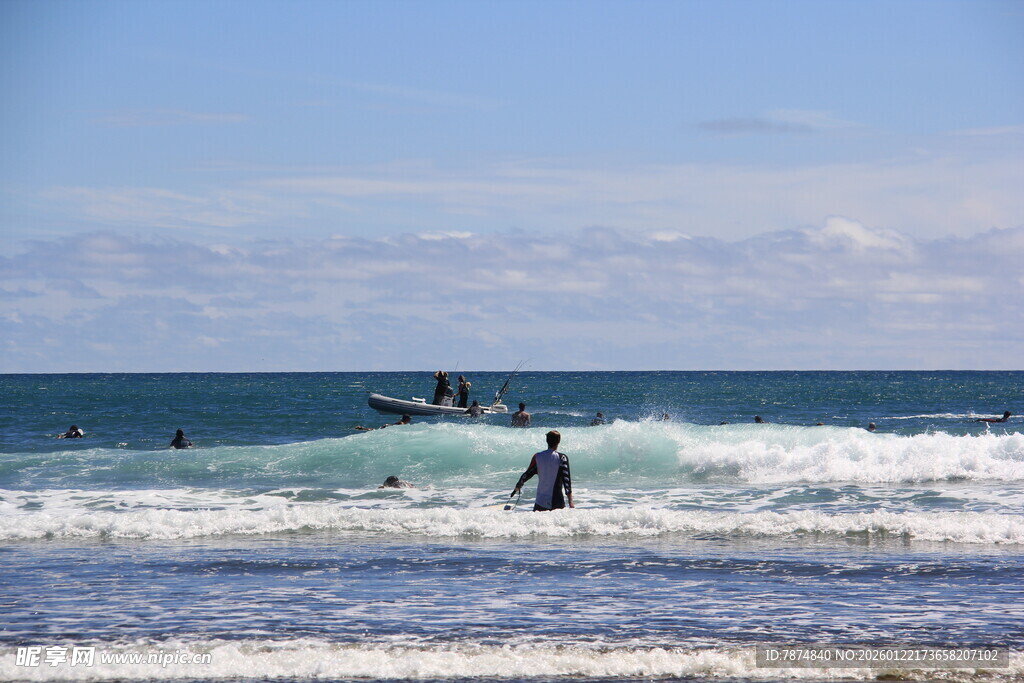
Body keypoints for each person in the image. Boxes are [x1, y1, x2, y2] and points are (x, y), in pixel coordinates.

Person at [512, 430, 574, 511]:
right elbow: (566, 481)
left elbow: (526, 475)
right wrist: (570, 501)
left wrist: (518, 486)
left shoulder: (537, 457)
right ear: (559, 441)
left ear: (547, 441)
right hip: (556, 502)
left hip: (540, 502)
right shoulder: (562, 458)